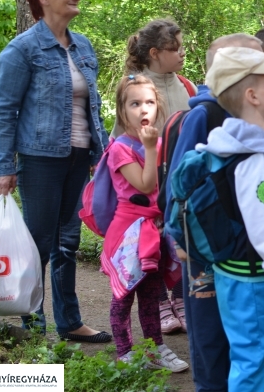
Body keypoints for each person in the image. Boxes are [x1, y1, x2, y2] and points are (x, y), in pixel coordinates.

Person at [164, 33, 264, 392]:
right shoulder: (217, 125)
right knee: (233, 347)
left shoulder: (241, 134)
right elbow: (178, 185)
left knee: (243, 347)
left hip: (230, 258)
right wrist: (178, 239)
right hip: (230, 261)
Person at [0, 0, 111, 342]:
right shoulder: (22, 49)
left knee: (67, 243)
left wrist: (101, 154)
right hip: (40, 158)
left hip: (80, 157)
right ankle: (32, 323)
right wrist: (5, 167)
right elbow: (4, 111)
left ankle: (70, 322)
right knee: (39, 243)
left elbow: (94, 107)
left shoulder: (83, 46)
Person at [194, 46, 264, 392]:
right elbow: (263, 224)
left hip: (230, 269)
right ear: (252, 96)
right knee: (254, 362)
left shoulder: (225, 143)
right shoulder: (258, 158)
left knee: (245, 356)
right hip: (253, 277)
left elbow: (249, 212)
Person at [114, 17, 197, 334]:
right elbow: (120, 137)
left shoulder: (187, 86)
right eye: (174, 48)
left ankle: (181, 299)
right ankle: (161, 302)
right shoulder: (137, 87)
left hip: (183, 181)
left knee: (179, 238)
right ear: (154, 53)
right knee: (153, 243)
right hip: (148, 183)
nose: (182, 53)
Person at [101, 74, 189, 372]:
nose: (143, 109)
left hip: (155, 230)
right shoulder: (120, 148)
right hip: (128, 233)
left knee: (152, 294)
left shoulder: (160, 143)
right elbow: (144, 184)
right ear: (122, 109)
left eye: (149, 102)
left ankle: (155, 348)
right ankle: (125, 352)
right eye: (135, 103)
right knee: (124, 295)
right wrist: (152, 149)